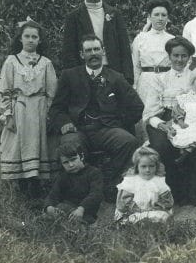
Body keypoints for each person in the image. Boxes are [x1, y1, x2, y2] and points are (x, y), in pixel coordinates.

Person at [48, 34, 144, 201]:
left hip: (106, 129)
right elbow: (56, 108)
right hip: (78, 129)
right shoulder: (69, 76)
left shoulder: (116, 77)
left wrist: (119, 123)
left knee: (129, 142)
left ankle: (108, 181)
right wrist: (65, 122)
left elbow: (137, 107)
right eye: (88, 50)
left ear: (103, 51)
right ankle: (77, 193)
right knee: (69, 145)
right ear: (82, 54)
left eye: (96, 49)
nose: (93, 53)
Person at [143, 37, 196, 205]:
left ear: (189, 57)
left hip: (194, 118)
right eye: (175, 55)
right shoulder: (159, 79)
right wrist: (164, 126)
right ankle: (173, 191)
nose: (179, 60)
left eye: (183, 56)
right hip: (164, 118)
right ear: (169, 56)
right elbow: (150, 112)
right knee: (162, 145)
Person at [0, 19, 59, 198]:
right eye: (27, 36)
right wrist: (7, 113)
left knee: (39, 146)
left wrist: (49, 115)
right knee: (18, 146)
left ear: (40, 40)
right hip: (20, 110)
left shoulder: (45, 63)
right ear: (20, 39)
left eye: (34, 37)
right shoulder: (12, 61)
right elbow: (4, 90)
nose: (31, 40)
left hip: (39, 111)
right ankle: (20, 190)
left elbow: (52, 92)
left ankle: (36, 189)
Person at [61, 0, 134, 83]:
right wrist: (74, 80)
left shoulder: (115, 14)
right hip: (85, 74)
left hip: (112, 73)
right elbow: (69, 52)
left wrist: (128, 78)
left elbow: (124, 48)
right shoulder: (73, 17)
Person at [44, 142, 103, 224]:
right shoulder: (63, 176)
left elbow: (95, 194)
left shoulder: (93, 173)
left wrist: (81, 209)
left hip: (87, 211)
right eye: (66, 162)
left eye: (73, 159)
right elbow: (53, 194)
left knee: (81, 222)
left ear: (81, 156)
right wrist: (49, 207)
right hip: (67, 209)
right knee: (48, 217)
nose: (71, 165)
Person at [131, 0, 175, 103]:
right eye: (156, 15)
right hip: (146, 81)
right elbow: (136, 65)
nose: (160, 18)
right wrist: (135, 86)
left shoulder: (172, 39)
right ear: (149, 17)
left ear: (167, 18)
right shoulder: (140, 39)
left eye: (163, 15)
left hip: (167, 80)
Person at [114, 146, 174, 224]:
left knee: (164, 216)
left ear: (156, 166)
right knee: (134, 219)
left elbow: (167, 202)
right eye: (143, 166)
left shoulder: (158, 181)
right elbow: (122, 205)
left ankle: (152, 224)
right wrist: (139, 210)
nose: (148, 170)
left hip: (153, 211)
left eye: (151, 166)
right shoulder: (131, 181)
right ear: (137, 167)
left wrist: (158, 206)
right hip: (132, 212)